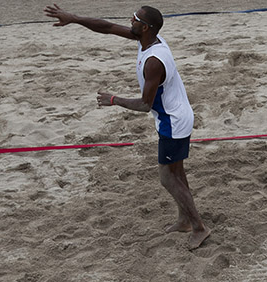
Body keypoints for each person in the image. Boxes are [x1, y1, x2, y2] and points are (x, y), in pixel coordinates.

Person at [44, 4, 210, 249]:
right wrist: (74, 18)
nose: (130, 20)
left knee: (168, 178)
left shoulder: (153, 62)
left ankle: (199, 227)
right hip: (175, 115)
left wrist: (114, 100)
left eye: (134, 19)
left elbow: (145, 104)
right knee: (177, 173)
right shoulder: (147, 40)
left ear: (145, 27)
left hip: (173, 122)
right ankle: (185, 220)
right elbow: (108, 27)